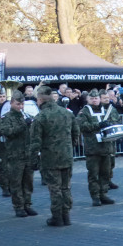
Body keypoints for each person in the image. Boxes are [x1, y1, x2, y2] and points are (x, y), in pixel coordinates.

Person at [29, 85, 79, 226]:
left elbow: (35, 142)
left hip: (50, 158)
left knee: (55, 188)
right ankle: (66, 215)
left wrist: (33, 160)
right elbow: (76, 133)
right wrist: (69, 147)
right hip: (67, 156)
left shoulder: (40, 117)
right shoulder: (67, 113)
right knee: (66, 187)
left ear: (40, 100)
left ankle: (57, 217)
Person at [77, 89, 119, 206]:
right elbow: (81, 126)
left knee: (105, 173)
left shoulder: (106, 110)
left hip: (106, 147)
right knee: (93, 174)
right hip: (92, 148)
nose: (94, 100)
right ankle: (95, 196)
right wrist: (98, 125)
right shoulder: (84, 111)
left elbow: (114, 121)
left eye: (96, 98)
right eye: (92, 98)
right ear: (88, 99)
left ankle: (103, 194)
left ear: (99, 99)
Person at [0, 93, 38, 217]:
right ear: (11, 103)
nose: (20, 106)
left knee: (28, 182)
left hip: (27, 154)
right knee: (16, 182)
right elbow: (7, 132)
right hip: (15, 155)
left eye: (22, 104)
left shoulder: (26, 116)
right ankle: (18, 206)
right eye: (18, 104)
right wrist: (23, 125)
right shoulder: (6, 117)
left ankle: (27, 205)